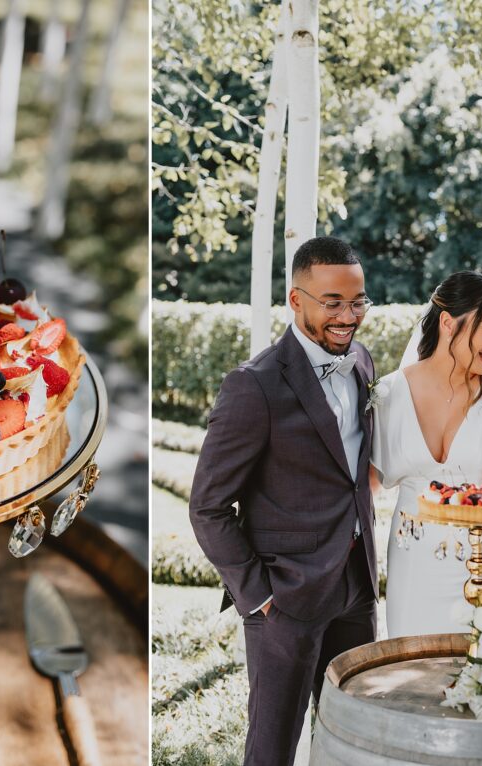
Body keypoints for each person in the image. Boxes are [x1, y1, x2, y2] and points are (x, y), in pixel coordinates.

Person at [188, 236, 378, 766]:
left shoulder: (361, 362)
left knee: (352, 739)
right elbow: (207, 507)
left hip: (356, 587)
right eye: (333, 302)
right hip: (285, 598)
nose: (348, 316)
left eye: (358, 301)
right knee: (272, 749)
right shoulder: (254, 386)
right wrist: (260, 596)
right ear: (296, 300)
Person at [371, 270, 482, 638]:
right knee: (413, 676)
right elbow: (365, 489)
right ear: (448, 323)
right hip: (413, 567)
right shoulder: (390, 393)